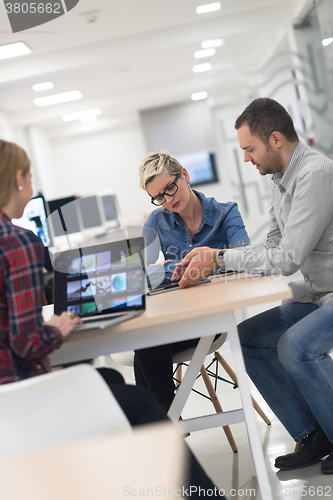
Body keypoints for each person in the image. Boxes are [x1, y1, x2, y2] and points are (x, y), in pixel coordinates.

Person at [0, 139, 223, 497]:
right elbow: (27, 342)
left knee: (103, 376)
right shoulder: (17, 242)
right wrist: (54, 330)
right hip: (18, 403)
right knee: (140, 402)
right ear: (19, 179)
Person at [171, 98, 333, 472]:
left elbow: (287, 258)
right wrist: (214, 264)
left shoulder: (316, 175)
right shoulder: (281, 181)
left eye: (249, 149)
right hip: (318, 294)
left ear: (275, 139)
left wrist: (221, 258)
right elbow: (274, 245)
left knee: (297, 345)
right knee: (247, 338)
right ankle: (314, 434)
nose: (246, 158)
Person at [136, 151, 249, 410]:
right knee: (145, 337)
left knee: (145, 343)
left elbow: (244, 259)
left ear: (185, 175)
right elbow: (139, 275)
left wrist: (193, 267)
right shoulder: (156, 220)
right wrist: (183, 267)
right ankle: (163, 416)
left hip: (213, 319)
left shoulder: (225, 213)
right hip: (174, 319)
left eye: (170, 188)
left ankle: (162, 417)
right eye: (158, 197)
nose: (168, 199)